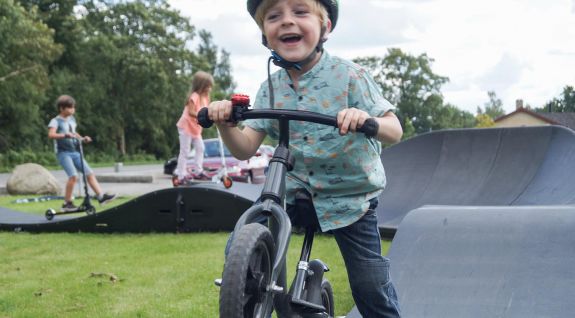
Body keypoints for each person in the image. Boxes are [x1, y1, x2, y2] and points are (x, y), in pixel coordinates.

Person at [206, 0, 404, 316]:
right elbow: (245, 148)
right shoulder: (268, 88)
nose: (287, 21)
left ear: (324, 27)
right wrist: (226, 124)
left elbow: (394, 130)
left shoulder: (350, 76)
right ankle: (259, 297)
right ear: (264, 34)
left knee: (370, 285)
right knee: (239, 245)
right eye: (274, 16)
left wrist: (365, 118)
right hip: (293, 193)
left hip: (350, 198)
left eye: (300, 12)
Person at [48, 95, 116, 212]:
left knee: (89, 173)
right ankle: (67, 203)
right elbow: (51, 135)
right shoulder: (55, 121)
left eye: (73, 107)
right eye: (70, 108)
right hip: (64, 153)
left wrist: (83, 138)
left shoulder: (72, 120)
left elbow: (74, 133)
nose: (72, 110)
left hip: (75, 151)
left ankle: (101, 198)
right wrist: (64, 135)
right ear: (61, 108)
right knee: (73, 176)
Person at [175, 71, 214, 182]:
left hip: (196, 129)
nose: (210, 88)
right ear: (201, 86)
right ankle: (181, 175)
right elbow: (191, 112)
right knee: (185, 151)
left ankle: (198, 171)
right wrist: (202, 115)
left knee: (200, 148)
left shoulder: (206, 98)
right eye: (208, 86)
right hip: (186, 126)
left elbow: (208, 109)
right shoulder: (194, 96)